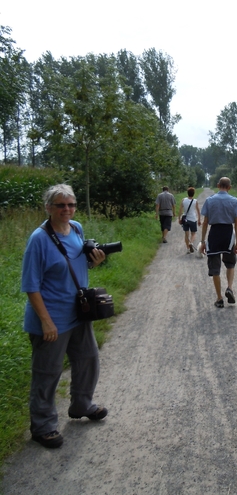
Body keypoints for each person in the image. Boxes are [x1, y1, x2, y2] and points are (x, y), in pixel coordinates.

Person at [21, 184, 108, 449]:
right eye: (61, 205)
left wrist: (95, 262)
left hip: (78, 313)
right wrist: (46, 321)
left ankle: (82, 404)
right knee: (47, 373)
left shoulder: (77, 228)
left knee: (88, 359)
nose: (67, 209)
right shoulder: (39, 239)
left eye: (70, 204)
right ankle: (43, 426)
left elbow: (76, 263)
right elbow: (30, 285)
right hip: (52, 318)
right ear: (48, 207)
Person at [200, 177, 237, 308]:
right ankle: (229, 287)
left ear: (218, 185)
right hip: (228, 235)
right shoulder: (234, 201)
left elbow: (205, 222)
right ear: (229, 187)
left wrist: (202, 241)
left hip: (214, 234)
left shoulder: (209, 200)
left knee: (215, 268)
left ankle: (219, 299)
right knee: (230, 263)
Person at [178, 187, 202, 254]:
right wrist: (199, 219)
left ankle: (188, 249)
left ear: (187, 193)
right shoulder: (195, 201)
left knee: (186, 234)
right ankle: (191, 243)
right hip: (193, 219)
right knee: (193, 233)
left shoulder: (183, 200)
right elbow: (198, 211)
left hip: (185, 219)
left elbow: (180, 210)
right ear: (193, 194)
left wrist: (179, 218)